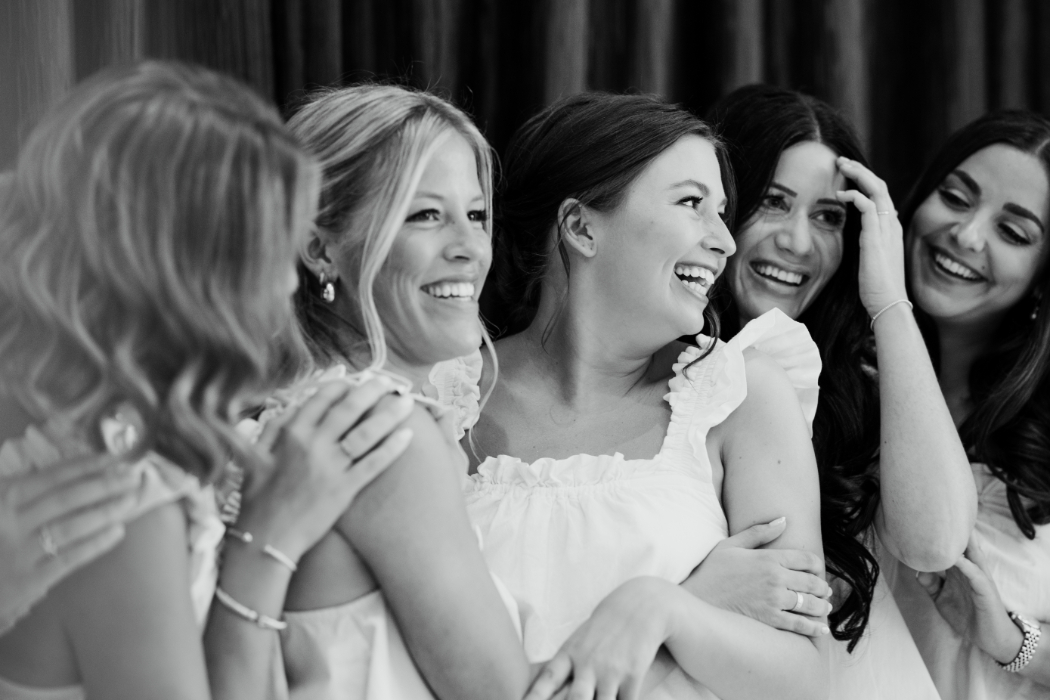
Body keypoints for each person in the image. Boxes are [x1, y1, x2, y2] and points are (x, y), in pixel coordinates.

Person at [0, 61, 410, 700]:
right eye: (272, 252)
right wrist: (262, 558)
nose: (286, 284)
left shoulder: (87, 433)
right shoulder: (116, 500)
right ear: (194, 277)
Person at [467, 92, 828, 700]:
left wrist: (662, 609)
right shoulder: (452, 402)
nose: (725, 241)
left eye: (722, 211)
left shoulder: (740, 394)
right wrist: (692, 598)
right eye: (692, 203)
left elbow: (806, 679)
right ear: (581, 226)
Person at [227, 84, 532, 700]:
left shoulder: (278, 414)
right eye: (425, 214)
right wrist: (668, 610)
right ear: (320, 248)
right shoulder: (381, 431)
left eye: (476, 215)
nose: (470, 247)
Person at [704, 84, 977, 698]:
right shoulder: (644, 366)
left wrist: (888, 299)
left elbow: (936, 542)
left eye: (828, 217)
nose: (799, 243)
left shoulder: (859, 391)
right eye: (773, 203)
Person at [886, 109, 1050, 700]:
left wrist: (1009, 638)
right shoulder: (834, 381)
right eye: (955, 197)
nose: (966, 235)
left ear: (1041, 278)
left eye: (1014, 233)